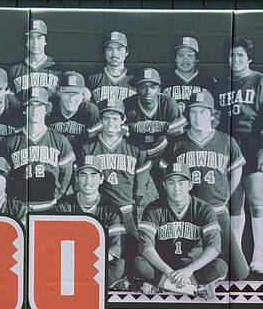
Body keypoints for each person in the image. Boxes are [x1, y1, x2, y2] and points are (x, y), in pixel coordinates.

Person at [160, 91, 248, 280]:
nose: (198, 117)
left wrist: (226, 196)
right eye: (193, 112)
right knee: (181, 262)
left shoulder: (226, 141)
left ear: (212, 115)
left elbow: (237, 170)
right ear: (188, 115)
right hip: (188, 213)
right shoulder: (177, 144)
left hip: (216, 210)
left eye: (202, 112)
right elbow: (165, 174)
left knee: (239, 272)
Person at [217, 36, 263, 275]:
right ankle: (240, 256)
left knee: (256, 200)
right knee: (234, 202)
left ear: (249, 57)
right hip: (228, 145)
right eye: (232, 55)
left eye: (241, 55)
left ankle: (259, 256)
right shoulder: (221, 85)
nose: (236, 59)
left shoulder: (261, 80)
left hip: (253, 142)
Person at [133, 162, 227, 299]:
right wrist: (169, 272)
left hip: (192, 268)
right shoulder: (154, 209)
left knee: (220, 266)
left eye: (181, 183)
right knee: (137, 263)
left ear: (190, 185)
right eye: (171, 183)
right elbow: (145, 246)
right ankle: (193, 288)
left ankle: (162, 286)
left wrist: (188, 270)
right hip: (163, 266)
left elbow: (214, 246)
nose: (177, 188)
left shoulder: (204, 208)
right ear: (164, 186)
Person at [81, 98, 150, 239]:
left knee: (132, 252)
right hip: (100, 211)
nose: (110, 123)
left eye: (115, 118)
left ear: (123, 120)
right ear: (100, 120)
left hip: (126, 210)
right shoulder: (88, 147)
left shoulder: (135, 147)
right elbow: (81, 181)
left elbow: (142, 181)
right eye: (106, 118)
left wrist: (133, 202)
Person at [55, 155, 126, 287]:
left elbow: (117, 246)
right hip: (70, 261)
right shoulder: (64, 205)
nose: (88, 181)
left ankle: (85, 285)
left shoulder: (111, 208)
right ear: (76, 178)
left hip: (98, 262)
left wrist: (94, 260)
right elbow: (54, 243)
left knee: (119, 265)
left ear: (101, 179)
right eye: (83, 175)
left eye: (93, 175)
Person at [5, 87, 75, 211]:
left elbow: (67, 173)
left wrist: (59, 194)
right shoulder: (12, 141)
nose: (35, 110)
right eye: (31, 105)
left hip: (50, 205)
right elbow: (6, 175)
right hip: (21, 206)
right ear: (24, 110)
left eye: (40, 105)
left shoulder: (59, 140)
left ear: (46, 109)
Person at [123, 67, 185, 196]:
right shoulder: (128, 105)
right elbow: (122, 138)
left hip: (160, 152)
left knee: (167, 192)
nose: (148, 91)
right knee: (131, 193)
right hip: (137, 154)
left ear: (159, 89)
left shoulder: (168, 103)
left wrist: (168, 159)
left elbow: (177, 138)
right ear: (136, 89)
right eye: (143, 87)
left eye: (153, 87)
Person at [47, 71, 100, 164]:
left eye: (76, 93)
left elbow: (93, 145)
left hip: (81, 159)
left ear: (83, 95)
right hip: (53, 158)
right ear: (59, 92)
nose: (71, 98)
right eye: (67, 93)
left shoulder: (90, 111)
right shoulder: (49, 108)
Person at [162, 36, 218, 115]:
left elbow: (216, 112)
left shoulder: (208, 81)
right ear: (175, 58)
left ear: (197, 58)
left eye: (190, 55)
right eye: (181, 55)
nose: (185, 60)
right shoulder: (164, 79)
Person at [8, 19, 62, 96]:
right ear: (26, 42)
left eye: (39, 38)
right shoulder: (14, 70)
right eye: (31, 38)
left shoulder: (58, 67)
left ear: (45, 41)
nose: (35, 42)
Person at [86, 31, 136, 103]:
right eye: (110, 49)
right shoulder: (92, 78)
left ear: (126, 52)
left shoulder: (135, 79)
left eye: (119, 49)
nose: (114, 54)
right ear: (104, 52)